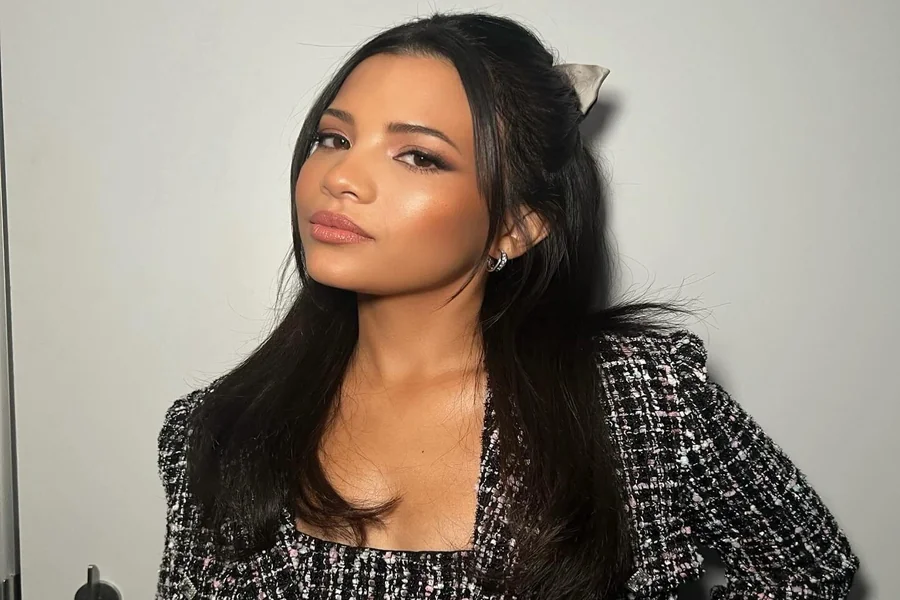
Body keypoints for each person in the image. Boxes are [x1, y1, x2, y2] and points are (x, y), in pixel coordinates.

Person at [155, 11, 859, 600]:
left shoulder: (640, 401)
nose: (339, 176)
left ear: (516, 225)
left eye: (418, 156)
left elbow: (810, 570)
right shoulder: (219, 429)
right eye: (332, 139)